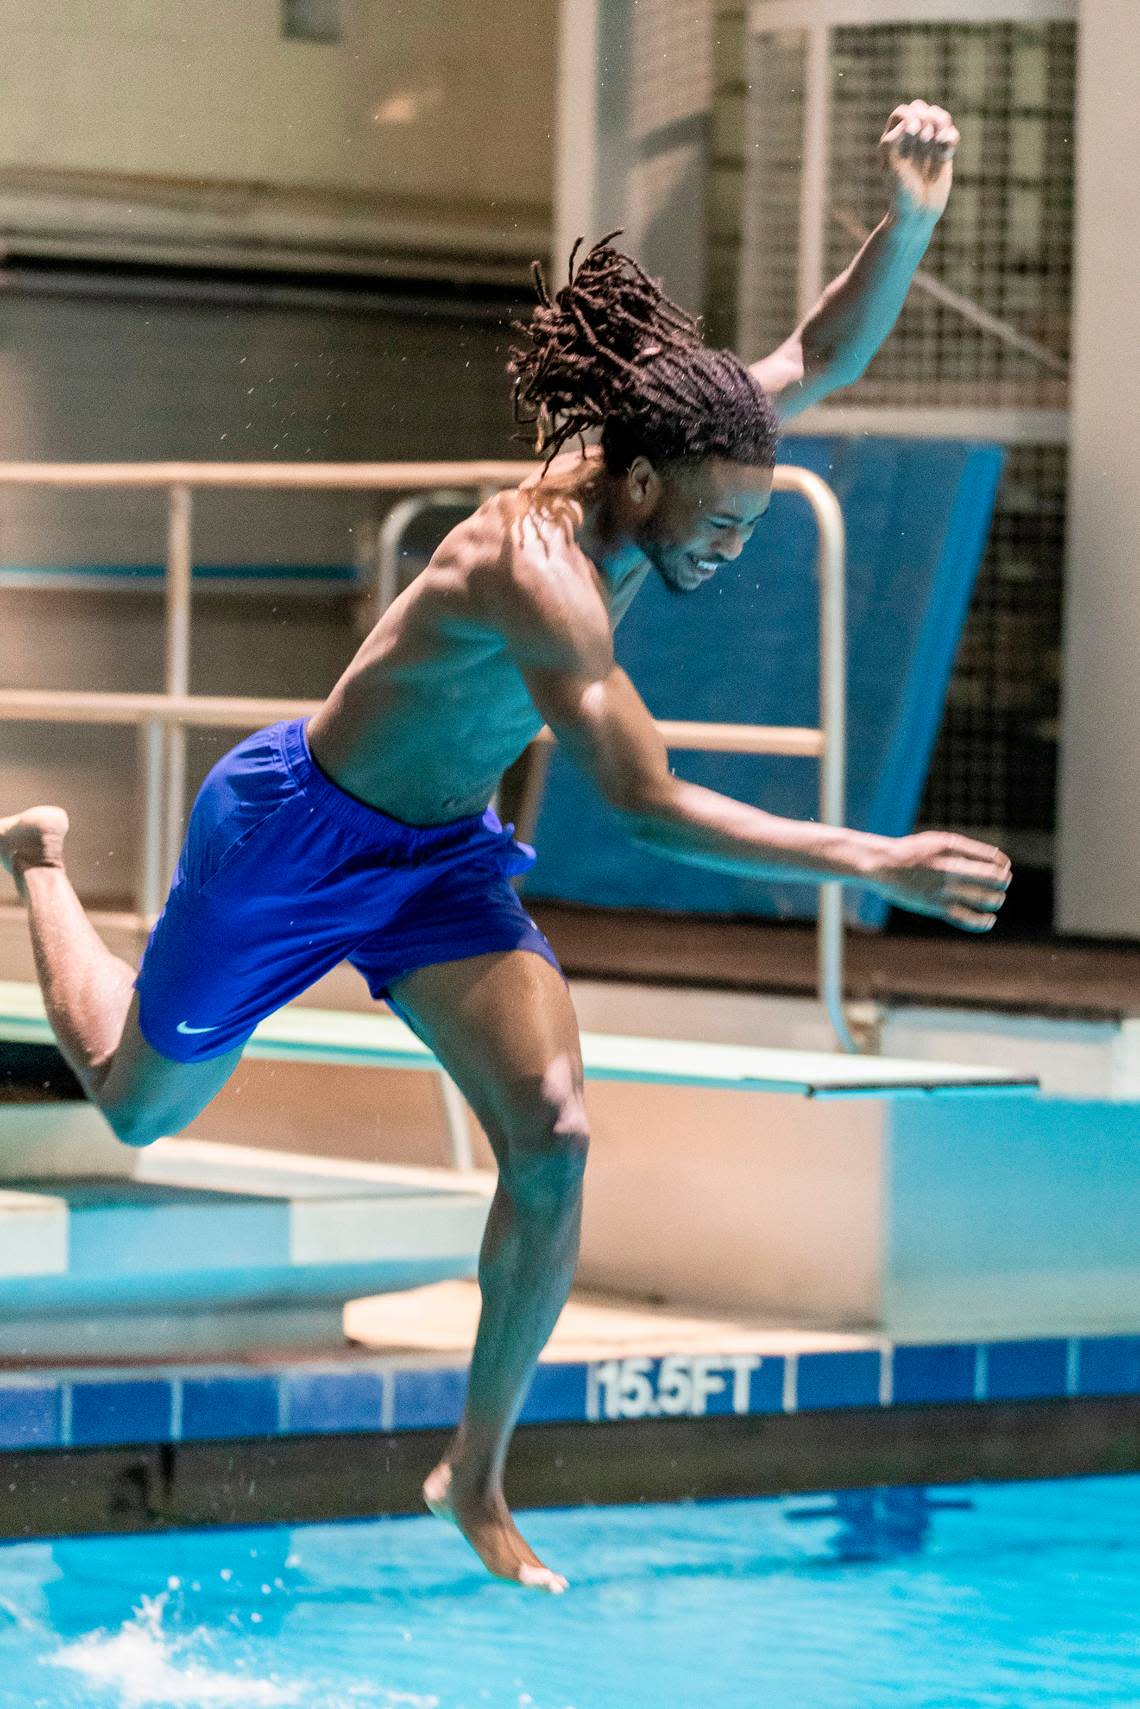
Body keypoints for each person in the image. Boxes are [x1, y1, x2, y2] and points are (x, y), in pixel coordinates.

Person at [0, 102, 1006, 1591]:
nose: (731, 556)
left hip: (441, 862)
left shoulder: (682, 446)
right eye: (720, 531)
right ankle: (35, 861)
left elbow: (814, 359)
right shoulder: (536, 574)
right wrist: (873, 860)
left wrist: (912, 219)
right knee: (141, 1107)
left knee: (556, 1129)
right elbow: (649, 801)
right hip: (293, 836)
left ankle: (472, 1473)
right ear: (642, 482)